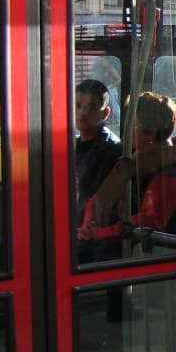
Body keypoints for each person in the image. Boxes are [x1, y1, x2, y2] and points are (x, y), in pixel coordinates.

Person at [78, 92, 176, 251]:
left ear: (151, 132)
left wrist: (99, 234)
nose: (126, 133)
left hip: (149, 251)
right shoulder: (133, 161)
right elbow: (96, 199)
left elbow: (149, 221)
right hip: (115, 239)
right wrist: (88, 224)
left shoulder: (172, 171)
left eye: (133, 127)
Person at [73, 80, 123, 263]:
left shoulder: (110, 150)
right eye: (77, 105)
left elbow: (94, 200)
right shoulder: (73, 145)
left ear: (105, 113)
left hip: (94, 242)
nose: (82, 113)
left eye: (91, 108)